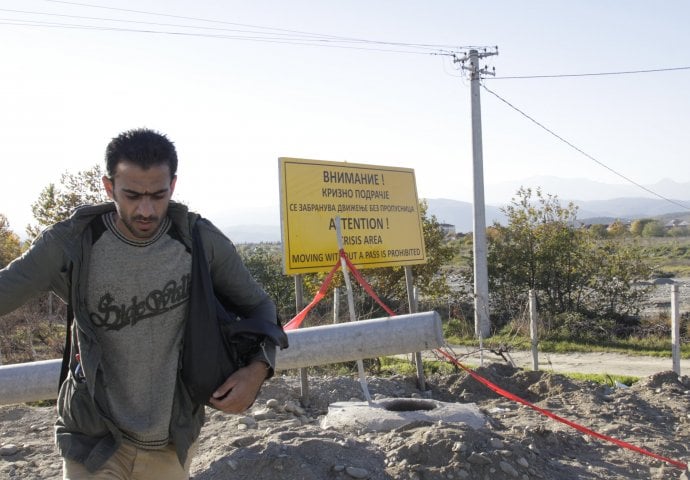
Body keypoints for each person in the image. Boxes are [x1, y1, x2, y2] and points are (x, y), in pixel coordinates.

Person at [0, 128, 278, 479]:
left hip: (170, 439)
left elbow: (262, 308)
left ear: (173, 186)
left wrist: (256, 372)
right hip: (93, 438)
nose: (146, 209)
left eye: (158, 195)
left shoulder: (196, 240)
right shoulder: (73, 242)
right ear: (108, 186)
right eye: (132, 195)